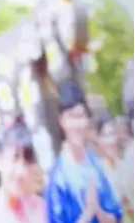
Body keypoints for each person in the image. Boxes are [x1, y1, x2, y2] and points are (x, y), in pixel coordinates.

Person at [45, 82, 122, 223]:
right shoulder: (58, 177)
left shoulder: (95, 164)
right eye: (71, 117)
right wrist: (88, 213)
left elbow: (116, 216)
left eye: (81, 116)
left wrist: (98, 210)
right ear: (61, 121)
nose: (78, 124)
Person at [0, 116, 46, 223]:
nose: (21, 170)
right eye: (14, 158)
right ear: (0, 161)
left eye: (27, 161)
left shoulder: (42, 207)